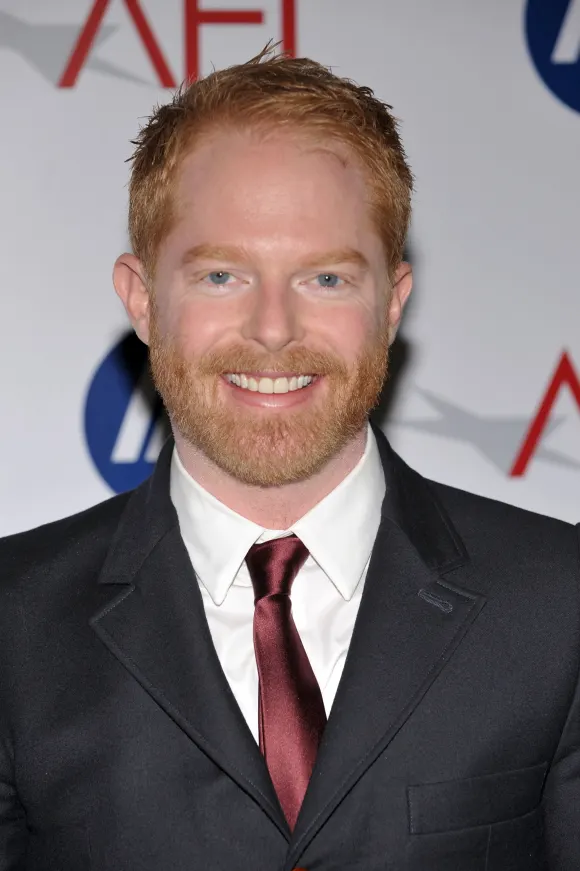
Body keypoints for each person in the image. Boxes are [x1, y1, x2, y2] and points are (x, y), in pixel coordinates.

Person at [0, 48, 579, 871]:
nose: (273, 329)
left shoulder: (561, 607)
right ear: (141, 299)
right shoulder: (16, 625)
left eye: (328, 279)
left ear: (393, 303)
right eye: (223, 273)